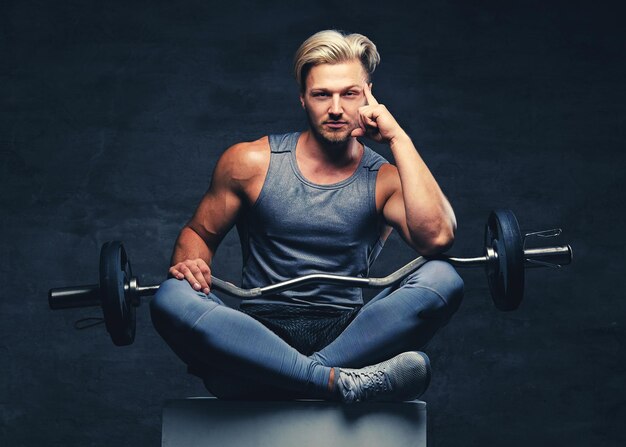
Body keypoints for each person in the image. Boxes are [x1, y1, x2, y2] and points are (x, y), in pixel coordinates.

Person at [150, 29, 464, 403]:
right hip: (256, 331)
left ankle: (279, 378)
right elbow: (198, 233)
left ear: (368, 95)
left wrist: (398, 138)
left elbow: (439, 238)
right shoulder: (250, 162)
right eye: (321, 94)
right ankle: (337, 383)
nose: (335, 108)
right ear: (303, 98)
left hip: (350, 334)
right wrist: (192, 266)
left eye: (349, 94)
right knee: (171, 296)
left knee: (444, 277)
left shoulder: (386, 180)